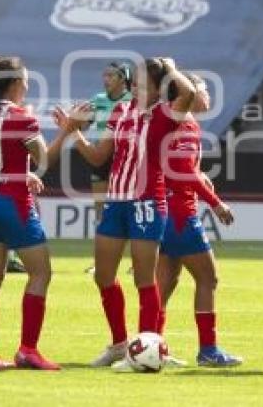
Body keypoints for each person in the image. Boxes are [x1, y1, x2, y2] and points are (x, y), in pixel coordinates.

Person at [64, 57, 195, 369]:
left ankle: (148, 349)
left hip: (148, 201)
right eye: (134, 80)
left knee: (144, 280)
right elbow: (98, 157)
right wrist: (72, 132)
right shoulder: (121, 111)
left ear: (158, 86)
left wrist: (171, 67)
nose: (134, 85)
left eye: (141, 81)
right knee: (104, 276)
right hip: (116, 200)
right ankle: (121, 345)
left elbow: (188, 92)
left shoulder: (166, 113)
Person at [0, 57, 69, 369]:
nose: (26, 86)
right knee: (41, 273)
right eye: (24, 81)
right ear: (13, 84)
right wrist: (67, 131)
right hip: (13, 203)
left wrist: (17, 173)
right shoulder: (21, 117)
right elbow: (44, 161)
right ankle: (28, 350)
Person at [156, 72, 241, 367]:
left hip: (161, 210)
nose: (207, 96)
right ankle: (208, 350)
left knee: (164, 286)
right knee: (208, 278)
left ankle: (152, 349)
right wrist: (216, 204)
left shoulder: (168, 120)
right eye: (204, 90)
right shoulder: (186, 124)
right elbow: (184, 170)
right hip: (180, 213)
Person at [85, 62, 133, 274]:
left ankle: (136, 262)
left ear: (123, 79)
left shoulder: (132, 100)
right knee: (101, 212)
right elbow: (85, 125)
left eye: (111, 76)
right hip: (101, 158)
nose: (105, 79)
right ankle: (100, 263)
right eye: (104, 75)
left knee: (131, 209)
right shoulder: (98, 100)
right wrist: (81, 117)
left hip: (125, 159)